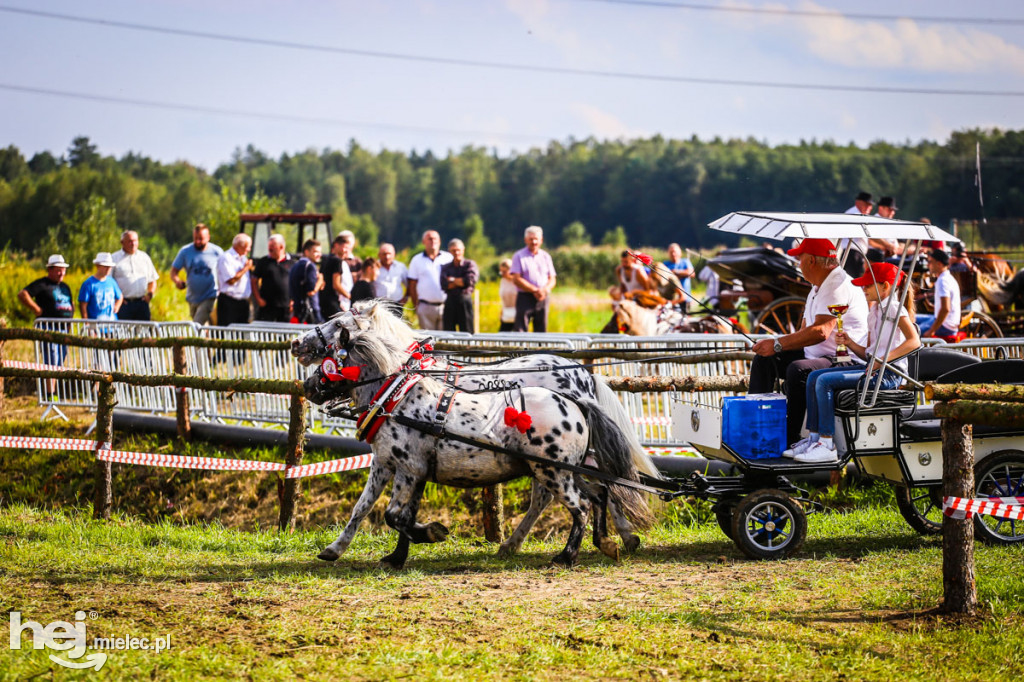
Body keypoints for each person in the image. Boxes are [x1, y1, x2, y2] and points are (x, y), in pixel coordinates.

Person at [790, 263, 921, 463]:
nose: (863, 289)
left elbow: (914, 342)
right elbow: (868, 354)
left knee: (824, 381)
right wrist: (850, 343)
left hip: (889, 374)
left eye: (868, 285)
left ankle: (826, 443)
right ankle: (814, 438)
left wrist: (882, 361)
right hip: (873, 369)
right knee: (814, 376)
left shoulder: (894, 307)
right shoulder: (874, 311)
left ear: (885, 286)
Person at [748, 238, 870, 448]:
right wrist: (774, 346)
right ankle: (754, 425)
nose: (798, 263)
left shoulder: (836, 284)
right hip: (819, 356)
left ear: (812, 260)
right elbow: (806, 330)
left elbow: (821, 331)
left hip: (845, 359)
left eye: (800, 258)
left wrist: (777, 343)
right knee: (764, 359)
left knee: (798, 369)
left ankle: (789, 437)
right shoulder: (818, 287)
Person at [18, 254, 74, 371]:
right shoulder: (42, 284)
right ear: (50, 269)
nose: (61, 273)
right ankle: (50, 390)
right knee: (51, 362)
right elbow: (23, 294)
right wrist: (36, 309)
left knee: (60, 362)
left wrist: (70, 321)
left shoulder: (65, 286)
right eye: (58, 270)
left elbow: (71, 303)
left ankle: (57, 388)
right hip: (49, 327)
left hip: (63, 329)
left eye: (63, 270)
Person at [170, 223, 223, 325]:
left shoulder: (217, 252)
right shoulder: (185, 251)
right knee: (202, 326)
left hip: (210, 295)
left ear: (208, 237)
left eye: (201, 239)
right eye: (195, 238)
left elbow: (224, 272)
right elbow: (173, 271)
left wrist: (222, 288)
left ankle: (193, 340)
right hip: (192, 297)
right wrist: (177, 281)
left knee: (196, 324)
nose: (198, 241)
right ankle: (207, 338)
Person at [510, 225, 557, 333]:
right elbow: (516, 279)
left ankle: (540, 350)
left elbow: (552, 279)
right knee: (521, 329)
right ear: (525, 240)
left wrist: (544, 290)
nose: (534, 242)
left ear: (541, 240)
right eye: (531, 239)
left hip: (543, 297)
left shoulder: (546, 256)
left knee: (541, 330)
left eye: (536, 239)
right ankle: (520, 350)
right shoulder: (519, 256)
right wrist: (535, 290)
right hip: (525, 297)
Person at [407, 230, 453, 331]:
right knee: (428, 339)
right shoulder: (416, 260)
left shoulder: (448, 258)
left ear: (439, 241)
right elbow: (412, 284)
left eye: (435, 238)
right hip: (425, 306)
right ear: (424, 242)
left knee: (446, 338)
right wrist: (416, 306)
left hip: (446, 306)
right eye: (430, 239)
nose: (433, 241)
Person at [111, 230, 159, 321]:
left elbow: (152, 280)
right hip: (123, 304)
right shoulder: (114, 258)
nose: (133, 244)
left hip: (141, 303)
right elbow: (109, 281)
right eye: (129, 241)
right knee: (123, 333)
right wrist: (117, 299)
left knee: (144, 333)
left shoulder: (144, 257)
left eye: (135, 240)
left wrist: (150, 295)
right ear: (122, 242)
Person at [916, 248, 961, 338]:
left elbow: (945, 309)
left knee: (911, 334)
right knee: (912, 318)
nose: (928, 265)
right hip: (948, 323)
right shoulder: (947, 278)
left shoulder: (943, 281)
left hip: (946, 326)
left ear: (939, 264)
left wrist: (931, 331)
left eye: (930, 262)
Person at [251, 234, 295, 322]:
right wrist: (258, 299)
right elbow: (253, 281)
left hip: (285, 306)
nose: (269, 249)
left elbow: (296, 283)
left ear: (281, 247)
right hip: (267, 306)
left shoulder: (292, 263)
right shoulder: (263, 261)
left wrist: (293, 301)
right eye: (269, 246)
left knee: (285, 333)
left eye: (272, 246)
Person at [440, 238, 479, 333]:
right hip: (450, 301)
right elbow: (444, 285)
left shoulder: (469, 264)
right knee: (448, 331)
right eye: (454, 250)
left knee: (467, 331)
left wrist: (452, 280)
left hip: (464, 300)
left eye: (458, 250)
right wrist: (460, 282)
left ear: (463, 250)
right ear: (450, 251)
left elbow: (468, 282)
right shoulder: (446, 267)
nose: (456, 252)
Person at [215, 233, 254, 327]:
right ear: (240, 246)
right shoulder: (226, 258)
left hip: (243, 302)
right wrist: (246, 268)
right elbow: (231, 280)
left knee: (242, 333)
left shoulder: (243, 258)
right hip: (229, 302)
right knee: (227, 331)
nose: (249, 250)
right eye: (248, 247)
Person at [78, 252, 123, 320]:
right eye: (105, 266)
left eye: (109, 267)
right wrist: (87, 323)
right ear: (97, 265)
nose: (108, 269)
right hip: (96, 324)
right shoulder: (89, 284)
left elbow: (120, 296)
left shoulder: (111, 282)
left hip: (112, 325)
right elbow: (83, 305)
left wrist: (117, 306)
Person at [289, 239, 324, 324]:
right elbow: (311, 292)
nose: (319, 255)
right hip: (310, 310)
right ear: (307, 252)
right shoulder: (310, 266)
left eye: (320, 252)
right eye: (315, 251)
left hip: (297, 308)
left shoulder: (295, 265)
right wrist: (320, 280)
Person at [320, 234, 354, 319]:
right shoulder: (337, 261)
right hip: (333, 300)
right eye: (344, 247)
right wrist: (350, 296)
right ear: (336, 245)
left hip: (323, 299)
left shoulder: (325, 259)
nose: (346, 251)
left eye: (348, 248)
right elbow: (336, 284)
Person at [840, 191, 872, 277]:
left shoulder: (855, 213)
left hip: (853, 252)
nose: (869, 207)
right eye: (866, 204)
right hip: (853, 253)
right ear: (858, 203)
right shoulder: (855, 214)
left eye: (870, 205)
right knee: (853, 280)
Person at [867, 197, 901, 262]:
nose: (892, 212)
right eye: (889, 209)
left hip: (888, 259)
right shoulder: (873, 221)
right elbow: (870, 239)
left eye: (893, 210)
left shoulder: (889, 224)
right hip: (875, 257)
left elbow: (896, 246)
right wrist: (888, 246)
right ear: (880, 208)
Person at [663, 243, 694, 310]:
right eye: (671, 252)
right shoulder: (665, 264)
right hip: (672, 299)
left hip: (686, 298)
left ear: (680, 253)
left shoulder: (685, 262)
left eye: (675, 252)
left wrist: (675, 272)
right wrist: (683, 274)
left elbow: (691, 273)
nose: (673, 254)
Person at [498, 259, 518, 332]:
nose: (502, 274)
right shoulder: (503, 281)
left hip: (518, 314)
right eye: (501, 272)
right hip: (506, 314)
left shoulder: (518, 282)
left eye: (504, 272)